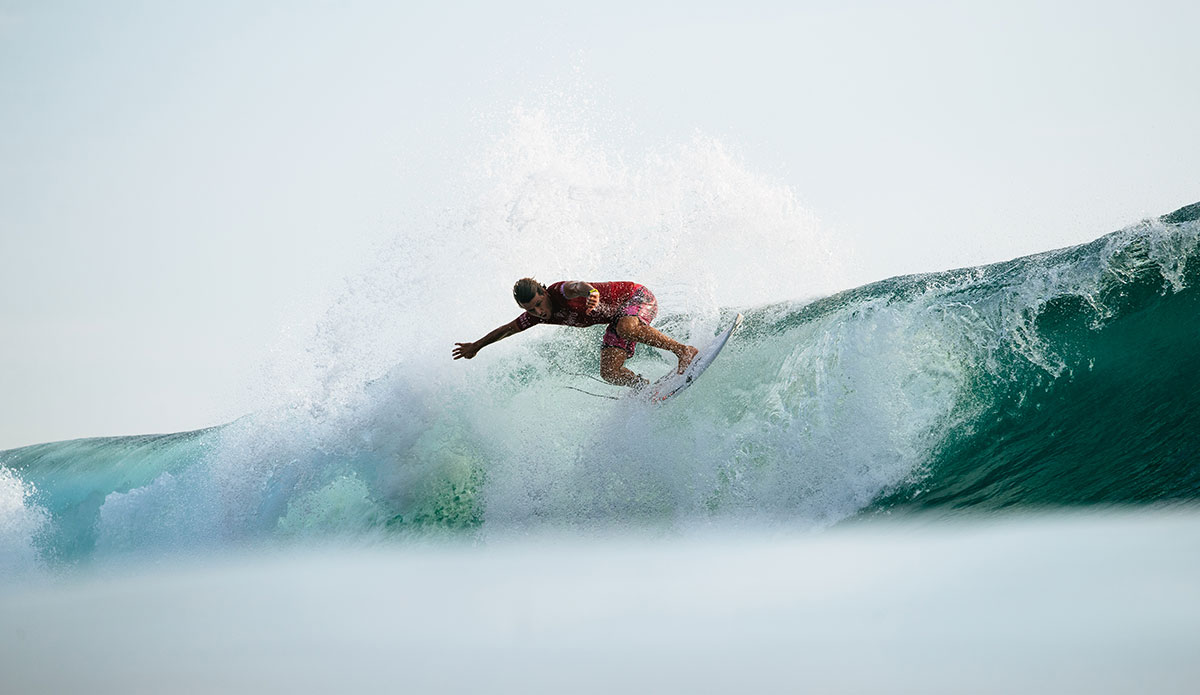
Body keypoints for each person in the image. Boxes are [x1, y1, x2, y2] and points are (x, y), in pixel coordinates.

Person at [453, 278, 699, 389]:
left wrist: (590, 291)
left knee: (626, 327)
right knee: (610, 373)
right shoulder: (534, 316)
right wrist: (476, 346)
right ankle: (643, 389)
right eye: (531, 309)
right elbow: (507, 329)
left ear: (545, 293)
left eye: (540, 303)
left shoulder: (559, 292)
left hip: (636, 297)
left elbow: (576, 286)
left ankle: (684, 351)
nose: (539, 312)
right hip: (617, 318)